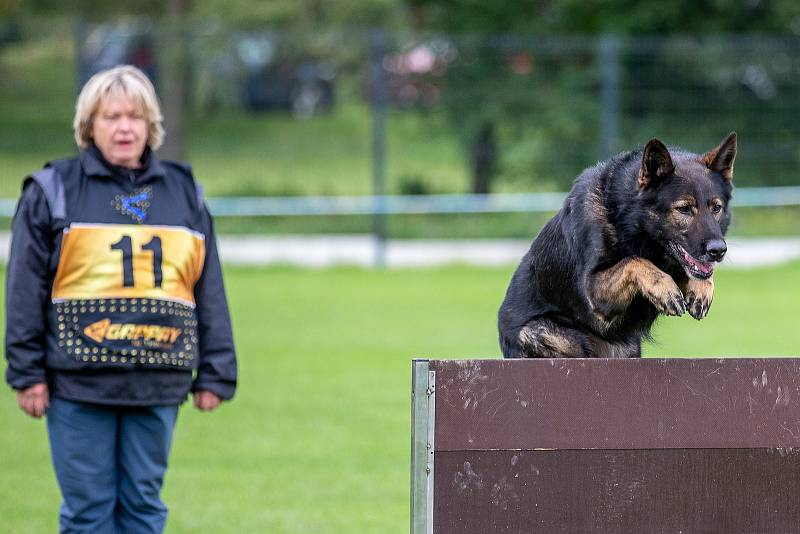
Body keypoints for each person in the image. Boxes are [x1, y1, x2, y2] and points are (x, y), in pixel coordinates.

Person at [5, 65, 237, 533]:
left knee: (144, 509)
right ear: (89, 126)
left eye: (134, 116)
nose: (124, 127)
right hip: (77, 383)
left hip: (157, 380)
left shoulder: (185, 193)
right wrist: (26, 372)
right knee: (88, 514)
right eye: (111, 116)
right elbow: (24, 289)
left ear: (151, 124)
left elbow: (206, 285)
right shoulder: (52, 191)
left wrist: (217, 369)